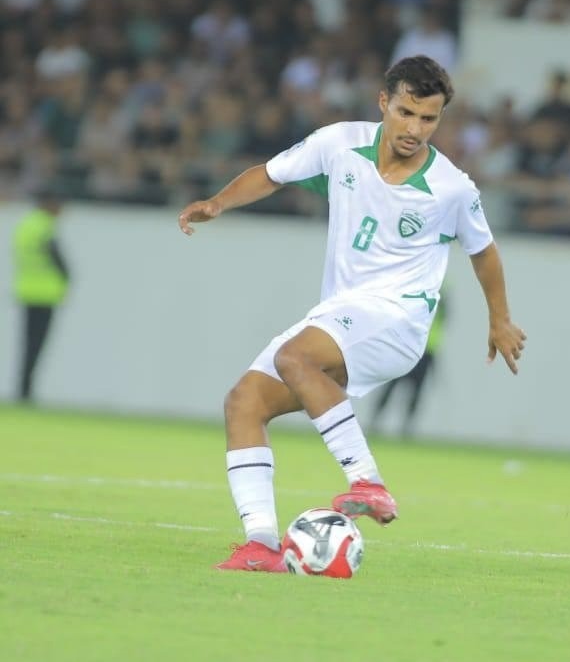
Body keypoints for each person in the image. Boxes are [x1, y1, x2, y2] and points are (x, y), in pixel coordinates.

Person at [177, 55, 527, 572]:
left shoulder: (451, 187)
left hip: (398, 321)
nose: (415, 129)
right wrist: (219, 204)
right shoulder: (339, 143)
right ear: (384, 103)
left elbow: (485, 251)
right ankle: (262, 545)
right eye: (406, 112)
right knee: (243, 402)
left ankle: (367, 481)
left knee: (297, 357)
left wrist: (499, 319)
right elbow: (270, 175)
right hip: (342, 314)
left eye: (428, 119)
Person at [11, 191, 69, 402]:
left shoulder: (26, 225)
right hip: (45, 293)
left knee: (27, 344)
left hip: (26, 290)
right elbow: (58, 259)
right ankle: (26, 392)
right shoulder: (44, 226)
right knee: (36, 346)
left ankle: (23, 389)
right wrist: (67, 277)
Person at [370, 289, 447, 437]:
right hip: (407, 347)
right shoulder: (416, 289)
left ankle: (406, 427)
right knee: (391, 386)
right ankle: (375, 423)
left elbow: (443, 317)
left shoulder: (441, 293)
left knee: (415, 392)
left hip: (426, 352)